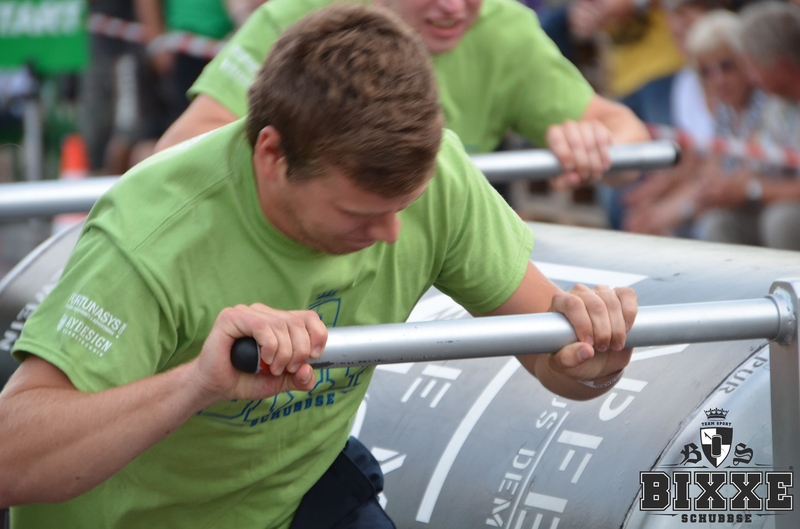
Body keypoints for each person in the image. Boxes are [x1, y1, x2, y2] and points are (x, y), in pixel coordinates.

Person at [0, 6, 637, 528]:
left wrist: (597, 360)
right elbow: (9, 459)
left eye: (403, 207)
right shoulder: (153, 234)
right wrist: (198, 383)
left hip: (296, 501)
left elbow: (559, 362)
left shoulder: (439, 177)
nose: (390, 234)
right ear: (271, 155)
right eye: (358, 213)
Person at [155, 0, 650, 194]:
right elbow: (178, 150)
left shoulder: (504, 29)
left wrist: (595, 146)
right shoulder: (298, 15)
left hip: (437, 282)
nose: (453, 8)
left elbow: (630, 136)